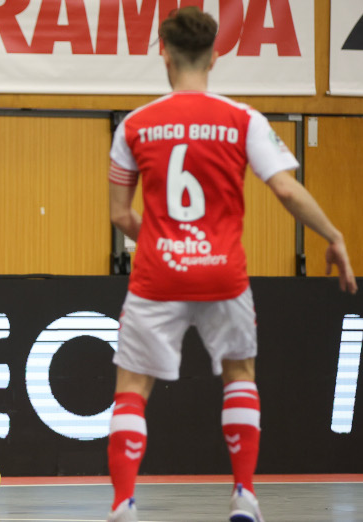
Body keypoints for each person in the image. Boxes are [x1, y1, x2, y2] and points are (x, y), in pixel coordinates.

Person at [106, 7, 357, 522]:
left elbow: (119, 215)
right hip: (223, 274)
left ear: (163, 53)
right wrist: (333, 236)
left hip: (158, 275)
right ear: (216, 56)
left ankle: (123, 506)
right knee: (239, 374)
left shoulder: (134, 125)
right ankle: (244, 495)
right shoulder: (244, 120)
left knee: (133, 389)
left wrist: (162, 241)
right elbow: (285, 188)